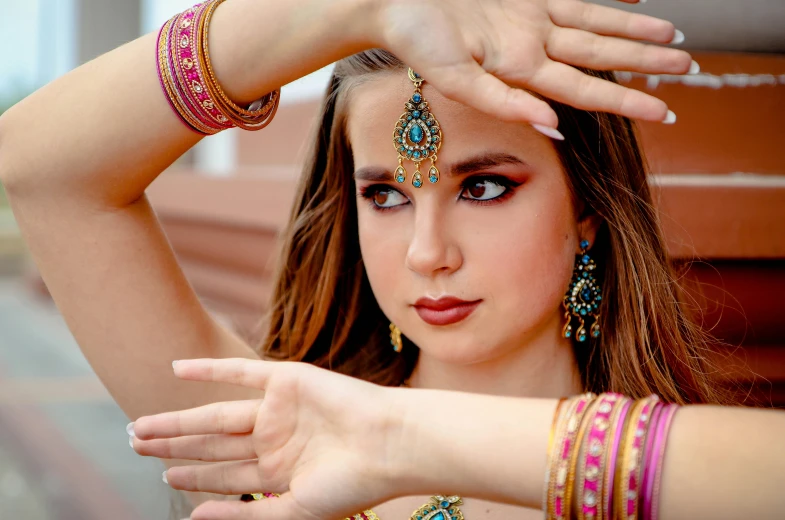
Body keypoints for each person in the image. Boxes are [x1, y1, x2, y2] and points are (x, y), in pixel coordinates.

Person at [1, 0, 776, 518]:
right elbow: (43, 167)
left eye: (482, 187)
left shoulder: (706, 478)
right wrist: (354, 8)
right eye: (385, 196)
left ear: (588, 211)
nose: (425, 254)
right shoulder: (276, 440)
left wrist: (403, 442)